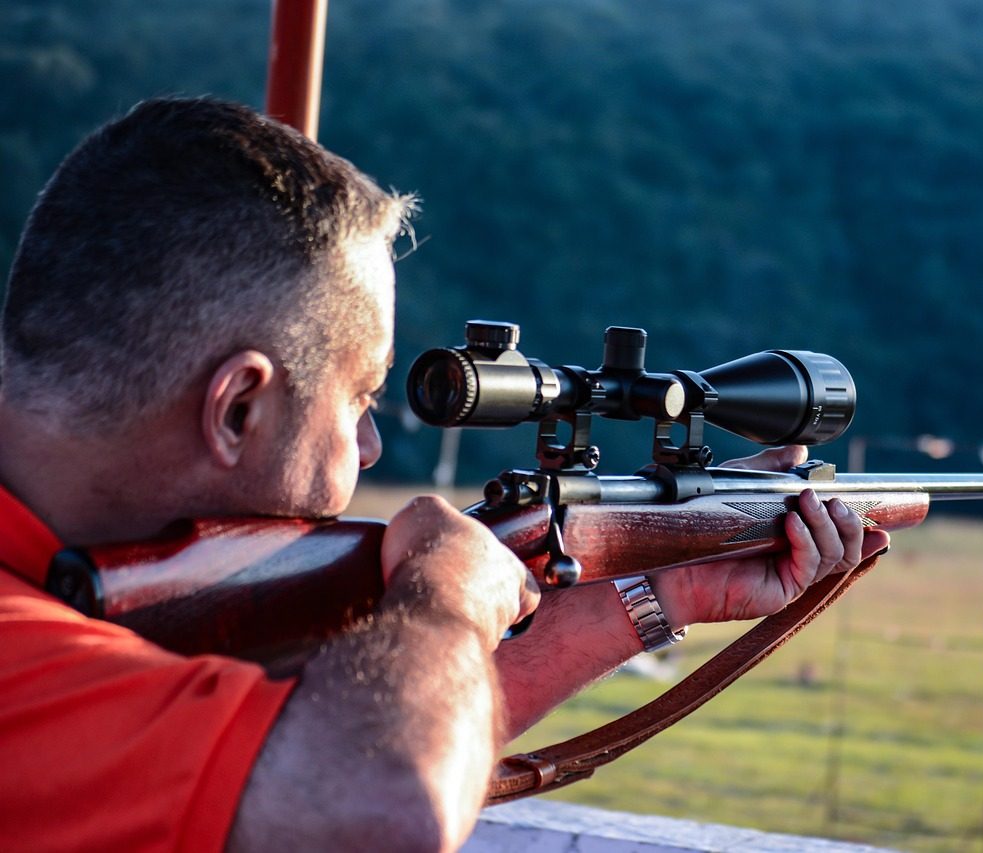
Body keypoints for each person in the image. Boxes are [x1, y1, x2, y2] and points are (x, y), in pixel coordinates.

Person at [0, 97, 889, 852]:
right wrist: (443, 598)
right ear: (238, 409)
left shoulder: (69, 616)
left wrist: (665, 593)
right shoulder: (25, 657)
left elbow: (375, 735)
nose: (374, 450)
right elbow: (386, 801)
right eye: (360, 400)